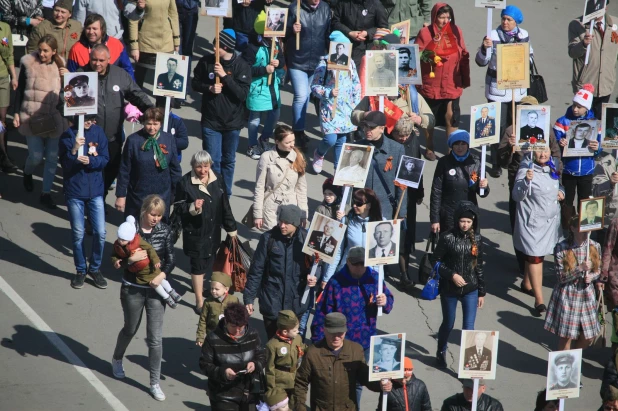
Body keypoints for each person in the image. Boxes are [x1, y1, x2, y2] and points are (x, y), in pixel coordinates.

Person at [111, 196, 177, 402]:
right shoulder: (131, 230)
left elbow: (170, 258)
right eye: (152, 214)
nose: (156, 219)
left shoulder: (165, 231)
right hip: (133, 289)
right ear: (144, 212)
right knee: (130, 328)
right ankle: (117, 359)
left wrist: (162, 276)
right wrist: (128, 260)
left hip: (155, 290)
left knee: (155, 339)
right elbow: (116, 257)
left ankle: (154, 382)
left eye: (159, 215)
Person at [311, 246, 394, 402]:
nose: (359, 267)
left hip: (365, 342)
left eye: (363, 263)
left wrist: (385, 301)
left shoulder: (375, 279)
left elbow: (388, 303)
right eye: (355, 264)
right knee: (338, 381)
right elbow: (322, 313)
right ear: (348, 262)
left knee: (358, 382)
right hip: (342, 342)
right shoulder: (336, 282)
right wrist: (318, 341)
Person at [498, 96, 562, 279]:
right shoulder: (511, 131)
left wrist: (558, 180)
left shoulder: (545, 130)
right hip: (519, 183)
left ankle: (533, 266)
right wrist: (508, 149)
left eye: (530, 110)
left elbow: (556, 155)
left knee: (539, 226)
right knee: (519, 225)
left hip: (542, 184)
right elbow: (501, 161)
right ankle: (522, 264)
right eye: (523, 109)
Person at [85, 44, 153, 200]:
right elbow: (65, 102)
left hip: (113, 137)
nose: (97, 63)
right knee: (92, 172)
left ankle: (99, 197)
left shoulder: (120, 75)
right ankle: (95, 203)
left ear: (109, 59)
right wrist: (76, 120)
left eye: (101, 60)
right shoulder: (81, 75)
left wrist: (151, 112)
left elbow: (137, 95)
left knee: (112, 169)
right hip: (89, 138)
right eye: (94, 60)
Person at [174, 150, 238, 313]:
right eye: (199, 167)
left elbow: (225, 205)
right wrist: (192, 207)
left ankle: (209, 291)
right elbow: (178, 207)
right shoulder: (185, 182)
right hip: (195, 232)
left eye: (206, 166)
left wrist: (232, 229)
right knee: (198, 266)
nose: (203, 170)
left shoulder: (217, 178)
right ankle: (199, 301)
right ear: (193, 166)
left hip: (213, 230)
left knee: (211, 261)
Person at [192, 28, 252, 197]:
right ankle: (214, 192)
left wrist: (225, 76)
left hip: (233, 123)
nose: (213, 48)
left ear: (226, 47)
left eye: (216, 45)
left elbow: (242, 94)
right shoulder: (206, 62)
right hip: (211, 121)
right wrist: (209, 87)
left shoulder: (242, 66)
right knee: (213, 161)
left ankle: (226, 193)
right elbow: (195, 83)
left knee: (228, 160)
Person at [244, 204, 316, 339]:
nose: (282, 225)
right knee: (273, 342)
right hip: (272, 302)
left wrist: (314, 277)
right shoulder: (268, 238)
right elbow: (256, 271)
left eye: (286, 222)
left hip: (296, 303)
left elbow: (316, 265)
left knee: (292, 344)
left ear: (296, 223)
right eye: (280, 221)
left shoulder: (306, 240)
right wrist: (249, 298)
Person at [475, 4, 532, 176]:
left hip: (517, 88)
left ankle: (513, 157)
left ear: (516, 22)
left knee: (514, 126)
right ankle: (496, 161)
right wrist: (485, 48)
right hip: (497, 91)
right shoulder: (492, 35)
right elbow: (481, 61)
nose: (505, 22)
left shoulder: (524, 35)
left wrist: (522, 61)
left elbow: (529, 56)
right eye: (504, 18)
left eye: (509, 20)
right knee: (496, 128)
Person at [294, 312, 391, 411]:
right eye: (332, 333)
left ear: (345, 331)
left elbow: (365, 377)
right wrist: (300, 408)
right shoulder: (313, 353)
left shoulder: (356, 350)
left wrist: (380, 384)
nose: (336, 337)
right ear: (324, 330)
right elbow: (301, 383)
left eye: (340, 333)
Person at [15, 35, 69, 209]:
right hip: (32, 117)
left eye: (46, 51)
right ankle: (27, 171)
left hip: (54, 118)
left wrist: (67, 77)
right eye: (40, 50)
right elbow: (20, 90)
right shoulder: (29, 63)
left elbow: (70, 95)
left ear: (54, 52)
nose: (42, 53)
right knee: (36, 155)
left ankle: (46, 193)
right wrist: (16, 112)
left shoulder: (61, 66)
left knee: (52, 157)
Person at [431, 201, 485, 368]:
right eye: (463, 221)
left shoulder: (477, 238)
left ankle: (467, 365)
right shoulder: (447, 238)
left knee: (469, 328)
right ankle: (441, 351)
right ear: (457, 220)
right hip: (450, 289)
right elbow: (435, 261)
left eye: (469, 222)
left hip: (471, 289)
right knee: (449, 322)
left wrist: (482, 291)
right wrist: (452, 275)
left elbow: (480, 265)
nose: (465, 225)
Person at [512, 146, 564, 314]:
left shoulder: (553, 165)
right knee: (535, 257)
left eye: (546, 150)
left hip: (550, 222)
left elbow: (559, 185)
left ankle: (527, 283)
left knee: (536, 254)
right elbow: (516, 196)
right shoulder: (527, 168)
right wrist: (526, 181)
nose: (543, 154)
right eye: (540, 150)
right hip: (533, 222)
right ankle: (539, 300)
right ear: (533, 152)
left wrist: (561, 193)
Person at [59, 114, 108, 289]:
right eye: (87, 118)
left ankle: (94, 268)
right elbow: (65, 165)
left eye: (93, 118)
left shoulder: (99, 133)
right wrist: (74, 150)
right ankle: (81, 270)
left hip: (95, 191)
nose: (90, 122)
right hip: (75, 192)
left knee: (100, 233)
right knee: (78, 233)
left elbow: (104, 159)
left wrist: (91, 161)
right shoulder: (67, 135)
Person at [415, 3, 469, 161]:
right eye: (441, 17)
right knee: (429, 118)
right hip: (431, 83)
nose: (445, 21)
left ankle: (450, 149)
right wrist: (431, 55)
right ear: (434, 17)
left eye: (448, 17)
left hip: (452, 82)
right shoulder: (425, 33)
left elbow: (463, 51)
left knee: (451, 116)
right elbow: (418, 54)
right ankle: (430, 146)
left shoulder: (457, 31)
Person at [544, 215, 602, 350]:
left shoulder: (594, 246)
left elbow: (598, 270)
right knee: (566, 337)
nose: (585, 233)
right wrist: (580, 269)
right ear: (573, 228)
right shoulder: (562, 247)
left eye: (587, 229)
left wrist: (592, 276)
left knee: (589, 336)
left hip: (587, 296)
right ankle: (564, 366)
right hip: (568, 296)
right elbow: (560, 277)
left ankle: (574, 358)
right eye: (582, 229)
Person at [115, 107, 182, 220]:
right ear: (143, 123)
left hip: (162, 195)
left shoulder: (169, 139)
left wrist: (176, 194)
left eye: (155, 124)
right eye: (149, 124)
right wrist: (121, 195)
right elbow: (124, 170)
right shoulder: (133, 140)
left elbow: (175, 169)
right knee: (137, 234)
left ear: (160, 124)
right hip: (138, 196)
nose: (152, 128)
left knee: (158, 233)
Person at [199, 302, 267, 410]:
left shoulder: (253, 334)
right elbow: (204, 365)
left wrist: (255, 364)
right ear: (226, 321)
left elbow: (262, 356)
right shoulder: (213, 338)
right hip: (223, 394)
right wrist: (223, 372)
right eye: (233, 326)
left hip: (249, 392)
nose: (237, 330)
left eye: (241, 326)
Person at [310, 31, 361, 173]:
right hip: (329, 107)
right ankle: (319, 154)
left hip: (346, 109)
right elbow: (314, 87)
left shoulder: (350, 62)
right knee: (330, 139)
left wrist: (357, 103)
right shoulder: (324, 63)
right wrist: (328, 92)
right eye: (339, 47)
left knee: (341, 140)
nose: (341, 49)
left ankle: (338, 170)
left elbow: (356, 83)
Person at [284, 0, 331, 150]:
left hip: (316, 60)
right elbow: (280, 32)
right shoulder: (294, 8)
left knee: (308, 94)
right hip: (297, 60)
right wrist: (291, 30)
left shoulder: (325, 8)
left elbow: (327, 34)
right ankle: (297, 133)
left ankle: (300, 128)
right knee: (301, 95)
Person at [554, 84, 602, 225]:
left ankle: (582, 232)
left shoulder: (594, 123)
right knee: (566, 201)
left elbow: (598, 147)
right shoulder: (562, 121)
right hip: (569, 169)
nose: (575, 109)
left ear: (586, 108)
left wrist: (597, 147)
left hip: (587, 170)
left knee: (585, 201)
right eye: (574, 105)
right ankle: (567, 229)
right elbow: (554, 144)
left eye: (579, 106)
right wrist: (559, 142)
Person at [112, 215, 182, 308]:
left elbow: (150, 249)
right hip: (141, 271)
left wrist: (156, 261)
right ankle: (167, 296)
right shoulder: (118, 245)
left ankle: (170, 292)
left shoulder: (137, 240)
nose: (120, 241)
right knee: (155, 283)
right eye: (119, 238)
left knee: (159, 280)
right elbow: (114, 255)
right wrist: (116, 261)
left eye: (123, 239)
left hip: (149, 266)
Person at [243, 13, 285, 160]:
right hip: (258, 87)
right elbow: (245, 69)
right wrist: (263, 70)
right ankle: (252, 145)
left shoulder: (276, 43)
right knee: (255, 118)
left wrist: (279, 63)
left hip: (273, 87)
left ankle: (264, 138)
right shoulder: (252, 47)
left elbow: (281, 58)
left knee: (275, 115)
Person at [430, 130, 489, 234]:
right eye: (456, 144)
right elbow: (436, 191)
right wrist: (435, 219)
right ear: (452, 145)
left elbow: (481, 193)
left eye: (463, 144)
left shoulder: (476, 162)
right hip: (448, 214)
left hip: (469, 214)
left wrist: (484, 187)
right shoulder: (444, 162)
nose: (460, 147)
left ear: (468, 145)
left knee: (470, 247)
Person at [252, 124, 308, 231]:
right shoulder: (266, 157)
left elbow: (301, 189)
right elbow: (259, 187)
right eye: (287, 142)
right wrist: (258, 214)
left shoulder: (298, 157)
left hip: (291, 207)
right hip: (271, 207)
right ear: (277, 142)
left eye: (293, 141)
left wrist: (303, 214)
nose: (292, 145)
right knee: (272, 240)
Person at [391, 117, 426, 290]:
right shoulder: (389, 142)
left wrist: (420, 192)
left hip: (408, 195)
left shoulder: (414, 141)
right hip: (391, 193)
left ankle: (404, 272)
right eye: (400, 135)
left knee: (406, 233)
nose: (403, 138)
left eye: (406, 135)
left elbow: (418, 168)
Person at [568, 3, 618, 118]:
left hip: (606, 83)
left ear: (606, 7)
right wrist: (583, 44)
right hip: (585, 84)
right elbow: (572, 53)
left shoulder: (615, 24)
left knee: (600, 123)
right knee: (582, 122)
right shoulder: (577, 25)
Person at [326, 189, 383, 286]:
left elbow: (381, 259)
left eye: (359, 203)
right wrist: (327, 278)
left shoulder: (381, 224)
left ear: (369, 205)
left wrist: (380, 282)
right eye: (353, 202)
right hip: (347, 273)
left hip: (369, 276)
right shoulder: (347, 220)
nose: (354, 206)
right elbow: (337, 251)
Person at [357, 111, 407, 220]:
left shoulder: (397, 149)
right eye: (365, 126)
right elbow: (347, 180)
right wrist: (345, 206)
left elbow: (401, 182)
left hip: (385, 208)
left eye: (371, 127)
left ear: (381, 128)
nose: (367, 130)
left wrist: (401, 211)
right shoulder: (356, 146)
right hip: (361, 207)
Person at [128, 0, 180, 88]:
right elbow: (133, 20)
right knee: (138, 82)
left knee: (164, 85)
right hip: (145, 43)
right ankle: (135, 101)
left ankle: (162, 102)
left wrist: (176, 40)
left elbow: (173, 15)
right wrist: (134, 46)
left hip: (166, 43)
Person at [67, 14, 134, 78]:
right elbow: (72, 74)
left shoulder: (116, 44)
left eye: (94, 29)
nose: (91, 32)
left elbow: (128, 70)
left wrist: (132, 88)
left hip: (112, 85)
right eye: (88, 28)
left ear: (102, 30)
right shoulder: (76, 49)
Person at [264, 310, 306, 410]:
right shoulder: (272, 345)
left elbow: (303, 348)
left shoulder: (297, 338)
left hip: (295, 378)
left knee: (293, 403)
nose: (298, 332)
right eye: (295, 330)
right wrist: (272, 389)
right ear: (285, 332)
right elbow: (269, 369)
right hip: (280, 382)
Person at [331, 0, 388, 68]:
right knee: (341, 76)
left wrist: (367, 33)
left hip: (366, 48)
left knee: (362, 75)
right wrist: (349, 32)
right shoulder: (343, 2)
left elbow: (383, 27)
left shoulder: (376, 4)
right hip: (343, 47)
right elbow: (335, 22)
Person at [195, 272, 240, 346]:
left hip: (229, 335)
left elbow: (239, 318)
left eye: (217, 289)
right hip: (213, 334)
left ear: (226, 289)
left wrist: (238, 334)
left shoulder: (234, 300)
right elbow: (203, 320)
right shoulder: (208, 302)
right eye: (212, 288)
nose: (213, 291)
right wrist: (200, 337)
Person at [0, 19, 17, 174]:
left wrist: (14, 76)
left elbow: (9, 53)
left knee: (2, 119)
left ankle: (3, 155)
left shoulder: (4, 28)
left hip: (3, 78)